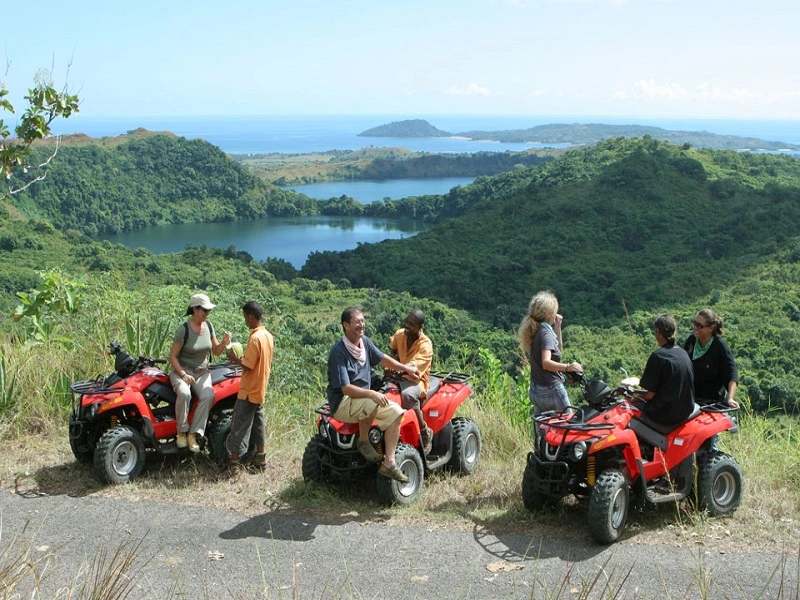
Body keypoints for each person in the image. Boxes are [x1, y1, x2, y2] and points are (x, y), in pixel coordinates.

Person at [327, 307, 421, 483]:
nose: (362, 325)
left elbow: (383, 359)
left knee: (396, 412)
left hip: (363, 401)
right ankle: (363, 441)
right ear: (346, 325)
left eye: (363, 320)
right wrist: (371, 393)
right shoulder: (338, 352)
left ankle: (389, 462)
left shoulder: (365, 343)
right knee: (373, 401)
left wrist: (406, 367)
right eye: (357, 322)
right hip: (343, 402)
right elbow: (346, 388)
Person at [169, 293, 231, 453]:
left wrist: (224, 343)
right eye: (204, 310)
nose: (207, 313)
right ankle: (181, 431)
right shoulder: (184, 330)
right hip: (183, 371)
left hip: (202, 372)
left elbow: (216, 351)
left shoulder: (209, 326)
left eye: (208, 310)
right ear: (195, 309)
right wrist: (183, 375)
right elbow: (173, 357)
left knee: (208, 395)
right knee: (184, 393)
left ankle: (194, 433)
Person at [224, 301, 274, 474]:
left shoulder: (255, 338)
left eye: (246, 317)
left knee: (238, 426)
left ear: (252, 317)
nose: (245, 321)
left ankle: (234, 465)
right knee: (258, 425)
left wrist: (234, 358)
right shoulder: (267, 335)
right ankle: (260, 459)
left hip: (248, 390)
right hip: (260, 389)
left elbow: (248, 365)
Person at [518, 291, 583, 417]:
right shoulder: (546, 334)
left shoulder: (536, 329)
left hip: (536, 389)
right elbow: (546, 363)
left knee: (544, 432)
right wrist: (567, 367)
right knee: (568, 427)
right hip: (550, 389)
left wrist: (557, 327)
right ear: (548, 313)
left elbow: (557, 351)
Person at [389, 309, 434, 455]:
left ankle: (424, 431)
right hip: (397, 375)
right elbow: (393, 349)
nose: (407, 326)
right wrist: (391, 363)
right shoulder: (400, 334)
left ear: (420, 327)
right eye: (407, 322)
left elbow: (413, 368)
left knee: (407, 395)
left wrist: (397, 368)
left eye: (412, 324)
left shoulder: (425, 346)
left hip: (416, 380)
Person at [639, 314, 695, 426]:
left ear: (659, 334)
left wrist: (633, 395)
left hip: (665, 414)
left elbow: (649, 395)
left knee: (630, 410)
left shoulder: (658, 356)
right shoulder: (683, 353)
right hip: (685, 411)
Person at [683, 309, 739, 408]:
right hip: (690, 399)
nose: (695, 327)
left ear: (711, 328)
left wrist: (730, 398)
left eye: (699, 326)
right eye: (695, 323)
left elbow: (732, 375)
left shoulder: (719, 346)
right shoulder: (692, 340)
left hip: (711, 403)